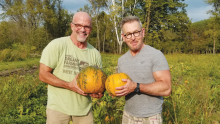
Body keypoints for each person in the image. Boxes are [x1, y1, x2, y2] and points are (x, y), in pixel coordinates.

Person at [39, 12, 103, 124]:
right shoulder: (57, 45)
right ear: (72, 26)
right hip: (58, 109)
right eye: (78, 25)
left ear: (91, 29)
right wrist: (69, 85)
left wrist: (99, 92)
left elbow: (99, 83)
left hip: (84, 111)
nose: (82, 30)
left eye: (86, 26)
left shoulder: (95, 54)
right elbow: (43, 74)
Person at [115, 16, 172, 124]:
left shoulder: (155, 55)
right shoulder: (121, 60)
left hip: (150, 118)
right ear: (123, 37)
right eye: (128, 34)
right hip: (127, 116)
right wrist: (116, 91)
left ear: (143, 32)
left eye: (136, 32)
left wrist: (136, 87)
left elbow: (166, 88)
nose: (132, 38)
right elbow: (122, 87)